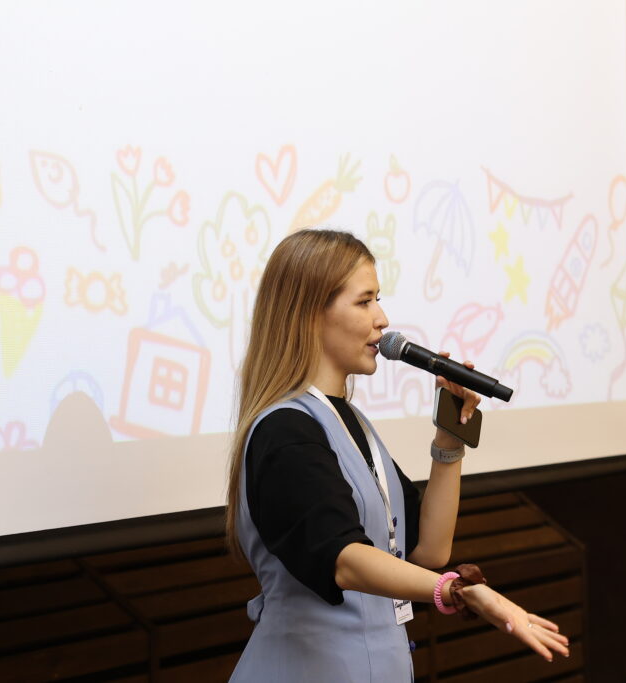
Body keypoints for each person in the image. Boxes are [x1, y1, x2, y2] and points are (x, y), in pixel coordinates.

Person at [227, 229, 569, 681]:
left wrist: (450, 438)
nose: (382, 319)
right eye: (364, 301)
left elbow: (429, 549)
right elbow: (344, 558)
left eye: (378, 300)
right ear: (310, 314)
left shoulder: (352, 424)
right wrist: (457, 591)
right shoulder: (285, 431)